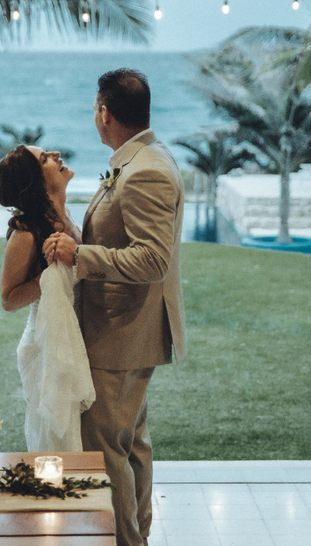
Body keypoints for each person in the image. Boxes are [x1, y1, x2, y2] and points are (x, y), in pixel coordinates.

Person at [43, 68, 187, 546]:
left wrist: (80, 256)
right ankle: (138, 535)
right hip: (126, 330)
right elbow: (120, 239)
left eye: (94, 109)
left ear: (105, 113)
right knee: (132, 446)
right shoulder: (140, 157)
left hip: (122, 331)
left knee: (108, 453)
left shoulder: (146, 170)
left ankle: (127, 541)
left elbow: (153, 259)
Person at [0, 145, 94, 452]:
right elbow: (9, 300)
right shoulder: (26, 235)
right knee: (56, 444)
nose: (57, 154)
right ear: (35, 182)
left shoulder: (64, 217)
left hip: (75, 337)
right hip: (47, 346)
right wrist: (48, 274)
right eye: (45, 158)